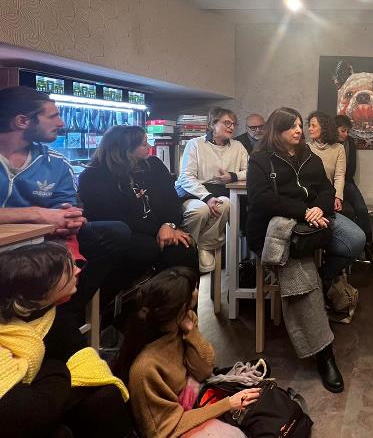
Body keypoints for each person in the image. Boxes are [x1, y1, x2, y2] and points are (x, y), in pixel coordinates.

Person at [0, 87, 130, 322]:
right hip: (10, 249)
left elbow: (65, 208)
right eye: (53, 116)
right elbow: (45, 215)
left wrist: (69, 220)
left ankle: (63, 312)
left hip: (40, 245)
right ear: (22, 121)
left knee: (116, 233)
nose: (61, 123)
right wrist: (38, 214)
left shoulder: (56, 163)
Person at [246, 107, 344, 393]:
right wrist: (304, 211)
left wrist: (318, 209)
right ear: (277, 131)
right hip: (274, 232)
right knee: (302, 276)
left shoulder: (309, 157)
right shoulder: (260, 159)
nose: (299, 130)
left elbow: (326, 190)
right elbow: (261, 199)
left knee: (351, 241)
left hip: (309, 226)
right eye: (292, 126)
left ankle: (322, 282)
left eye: (300, 125)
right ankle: (324, 353)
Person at [0, 242, 133, 438]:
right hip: (18, 412)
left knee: (107, 395)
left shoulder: (53, 315)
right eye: (67, 271)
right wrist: (57, 369)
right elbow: (25, 414)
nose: (78, 271)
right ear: (39, 292)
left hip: (41, 391)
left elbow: (78, 351)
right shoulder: (7, 332)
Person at [116, 267, 259, 438]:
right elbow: (162, 430)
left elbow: (204, 371)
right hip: (172, 427)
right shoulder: (144, 368)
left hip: (191, 402)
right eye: (193, 288)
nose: (196, 291)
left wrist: (192, 333)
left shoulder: (181, 326)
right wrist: (227, 404)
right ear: (180, 308)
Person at [78, 125, 199, 292]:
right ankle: (148, 302)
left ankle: (185, 305)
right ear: (125, 149)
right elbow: (114, 219)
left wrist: (169, 225)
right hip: (125, 235)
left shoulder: (154, 165)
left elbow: (172, 201)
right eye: (143, 144)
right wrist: (159, 230)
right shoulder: (93, 177)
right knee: (147, 250)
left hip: (161, 229)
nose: (149, 147)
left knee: (184, 249)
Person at [175, 108, 248, 273]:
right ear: (213, 124)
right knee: (200, 211)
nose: (231, 127)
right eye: (227, 123)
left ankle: (204, 247)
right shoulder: (195, 144)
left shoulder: (238, 146)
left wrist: (233, 176)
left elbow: (250, 171)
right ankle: (189, 248)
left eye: (234, 124)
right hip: (194, 193)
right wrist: (206, 197)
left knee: (226, 204)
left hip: (221, 193)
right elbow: (186, 177)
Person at [307, 111, 367, 290]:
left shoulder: (338, 148)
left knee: (357, 224)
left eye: (313, 125)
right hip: (311, 202)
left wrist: (337, 196)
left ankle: (325, 276)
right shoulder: (306, 148)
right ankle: (315, 279)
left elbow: (340, 175)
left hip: (329, 196)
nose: (309, 129)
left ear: (324, 127)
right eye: (308, 125)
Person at [335, 114, 373, 275]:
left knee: (361, 209)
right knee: (348, 212)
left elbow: (351, 169)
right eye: (343, 131)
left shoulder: (350, 143)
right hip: (330, 186)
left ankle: (368, 248)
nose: (346, 134)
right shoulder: (328, 145)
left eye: (347, 131)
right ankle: (349, 252)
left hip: (347, 182)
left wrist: (342, 184)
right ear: (334, 129)